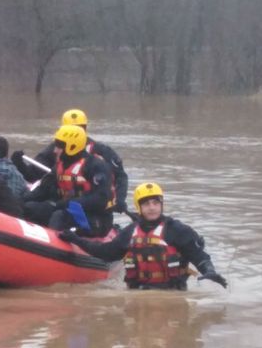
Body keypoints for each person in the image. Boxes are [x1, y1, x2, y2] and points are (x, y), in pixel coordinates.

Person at [59, 182, 228, 290]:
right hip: (138, 293)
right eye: (146, 204)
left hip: (171, 294)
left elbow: (199, 256)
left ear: (162, 205)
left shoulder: (177, 230)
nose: (152, 208)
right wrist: (75, 239)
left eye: (156, 203)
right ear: (139, 208)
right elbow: (105, 252)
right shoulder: (129, 233)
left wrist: (210, 271)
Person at [12, 108, 129, 213]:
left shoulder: (100, 153)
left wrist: (120, 199)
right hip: (61, 202)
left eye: (80, 128)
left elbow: (120, 176)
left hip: (90, 206)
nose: (76, 132)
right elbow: (34, 176)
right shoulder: (56, 149)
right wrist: (20, 165)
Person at [24, 125, 113, 236]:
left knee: (59, 216)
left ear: (72, 147)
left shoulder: (95, 166)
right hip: (66, 209)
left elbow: (101, 199)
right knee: (30, 208)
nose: (55, 150)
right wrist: (20, 200)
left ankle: (53, 247)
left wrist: (69, 203)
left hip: (96, 218)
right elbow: (42, 191)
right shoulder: (59, 166)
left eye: (59, 146)